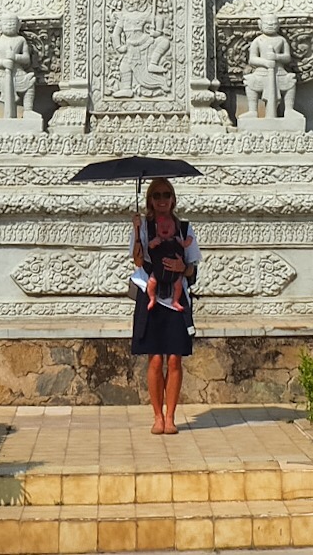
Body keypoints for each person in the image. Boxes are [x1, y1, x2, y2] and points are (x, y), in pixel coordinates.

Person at [130, 178, 200, 435]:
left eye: (166, 194)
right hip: (152, 298)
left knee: (174, 359)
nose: (162, 199)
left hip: (176, 300)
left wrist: (183, 267)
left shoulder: (184, 228)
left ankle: (170, 417)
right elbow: (138, 261)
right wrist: (137, 231)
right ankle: (157, 416)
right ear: (150, 200)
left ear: (173, 199)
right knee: (155, 360)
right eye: (157, 195)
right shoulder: (144, 228)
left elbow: (193, 269)